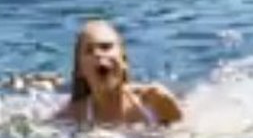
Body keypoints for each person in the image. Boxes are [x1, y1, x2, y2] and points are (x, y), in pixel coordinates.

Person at [56, 20, 184, 127]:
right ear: (80, 70)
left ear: (124, 61)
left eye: (106, 47)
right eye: (89, 51)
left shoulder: (155, 101)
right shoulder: (73, 115)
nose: (98, 54)